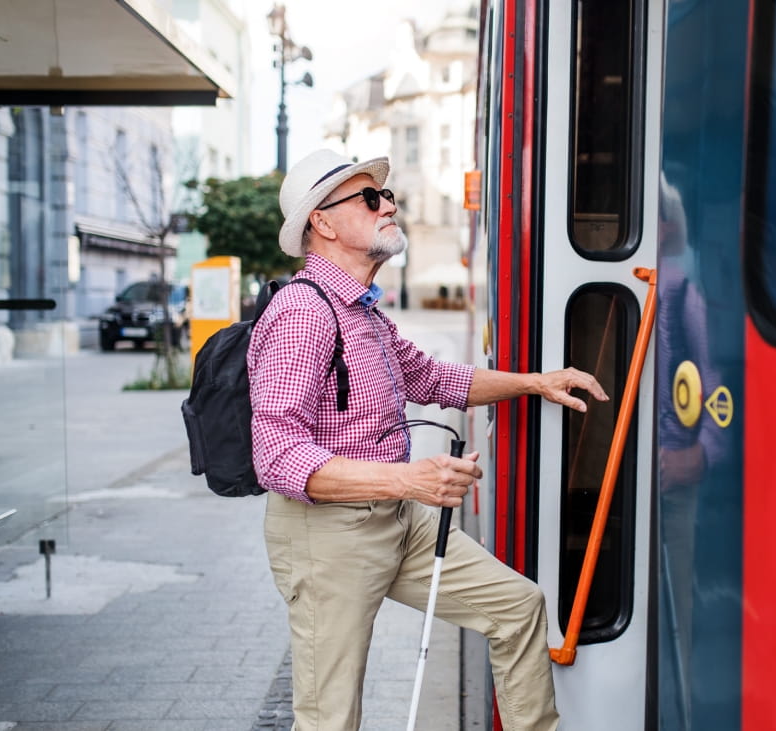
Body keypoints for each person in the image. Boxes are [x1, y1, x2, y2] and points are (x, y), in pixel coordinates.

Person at [248, 149, 607, 731]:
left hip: (394, 517)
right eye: (370, 197)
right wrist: (412, 479)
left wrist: (537, 381)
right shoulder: (302, 313)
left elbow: (435, 378)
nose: (389, 204)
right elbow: (276, 455)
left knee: (517, 607)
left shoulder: (362, 311)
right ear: (323, 221)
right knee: (329, 718)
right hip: (328, 537)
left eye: (387, 195)